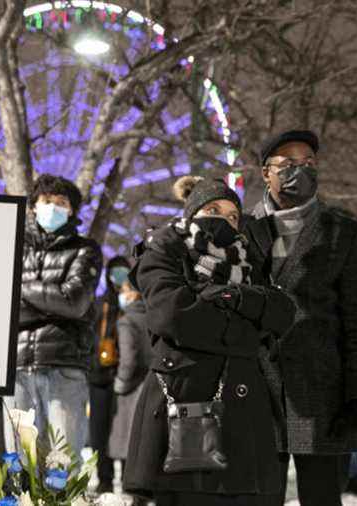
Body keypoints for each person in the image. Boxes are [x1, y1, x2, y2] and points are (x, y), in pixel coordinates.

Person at [123, 176, 295, 506]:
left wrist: (230, 297)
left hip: (243, 413)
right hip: (182, 406)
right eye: (212, 209)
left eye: (233, 216)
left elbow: (283, 312)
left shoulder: (248, 257)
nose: (224, 220)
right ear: (192, 213)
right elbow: (171, 316)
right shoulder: (164, 249)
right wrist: (247, 326)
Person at [244, 130, 357, 506]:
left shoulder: (343, 232)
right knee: (256, 496)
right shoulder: (239, 229)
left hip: (322, 392)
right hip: (254, 390)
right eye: (287, 165)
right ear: (265, 173)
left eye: (308, 164)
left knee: (322, 497)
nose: (299, 172)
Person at [16, 174, 103, 457]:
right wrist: (54, 303)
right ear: (32, 206)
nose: (53, 207)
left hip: (64, 365)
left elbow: (75, 301)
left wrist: (21, 288)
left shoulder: (85, 250)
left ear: (72, 211)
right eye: (46, 201)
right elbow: (2, 303)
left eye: (61, 203)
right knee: (20, 464)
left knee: (63, 463)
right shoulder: (14, 248)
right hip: (17, 366)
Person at [89, 255, 131, 493]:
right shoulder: (99, 304)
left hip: (126, 375)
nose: (119, 275)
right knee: (99, 430)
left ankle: (127, 477)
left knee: (125, 428)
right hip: (99, 376)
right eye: (115, 271)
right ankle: (104, 478)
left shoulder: (132, 302)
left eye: (124, 270)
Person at [107, 279, 152, 482]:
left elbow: (128, 359)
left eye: (124, 291)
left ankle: (131, 489)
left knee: (128, 440)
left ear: (134, 294)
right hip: (152, 384)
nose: (122, 296)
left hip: (132, 388)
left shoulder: (127, 321)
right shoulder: (154, 317)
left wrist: (120, 384)